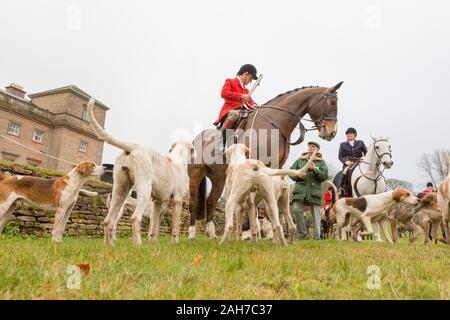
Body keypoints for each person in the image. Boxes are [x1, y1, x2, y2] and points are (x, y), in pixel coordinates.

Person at [214, 64, 258, 153]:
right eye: (251, 78)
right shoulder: (230, 81)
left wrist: (257, 106)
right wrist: (241, 96)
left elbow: (251, 102)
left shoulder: (246, 91)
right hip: (229, 111)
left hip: (242, 112)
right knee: (234, 114)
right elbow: (224, 93)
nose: (250, 81)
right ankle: (220, 142)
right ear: (246, 73)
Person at [290, 141, 329, 240]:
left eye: (313, 147)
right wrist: (298, 175)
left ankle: (317, 237)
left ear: (317, 150)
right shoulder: (300, 160)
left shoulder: (321, 162)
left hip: (314, 192)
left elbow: (324, 176)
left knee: (316, 215)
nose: (310, 148)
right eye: (309, 147)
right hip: (300, 191)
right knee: (296, 209)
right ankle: (303, 234)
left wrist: (315, 169)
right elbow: (291, 172)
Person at [338, 127, 368, 195]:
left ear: (355, 135)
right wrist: (346, 161)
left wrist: (364, 158)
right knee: (345, 171)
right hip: (349, 164)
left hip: (359, 162)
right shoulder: (342, 144)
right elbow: (340, 156)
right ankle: (341, 188)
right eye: (347, 134)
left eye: (351, 133)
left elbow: (367, 152)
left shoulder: (361, 143)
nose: (349, 135)